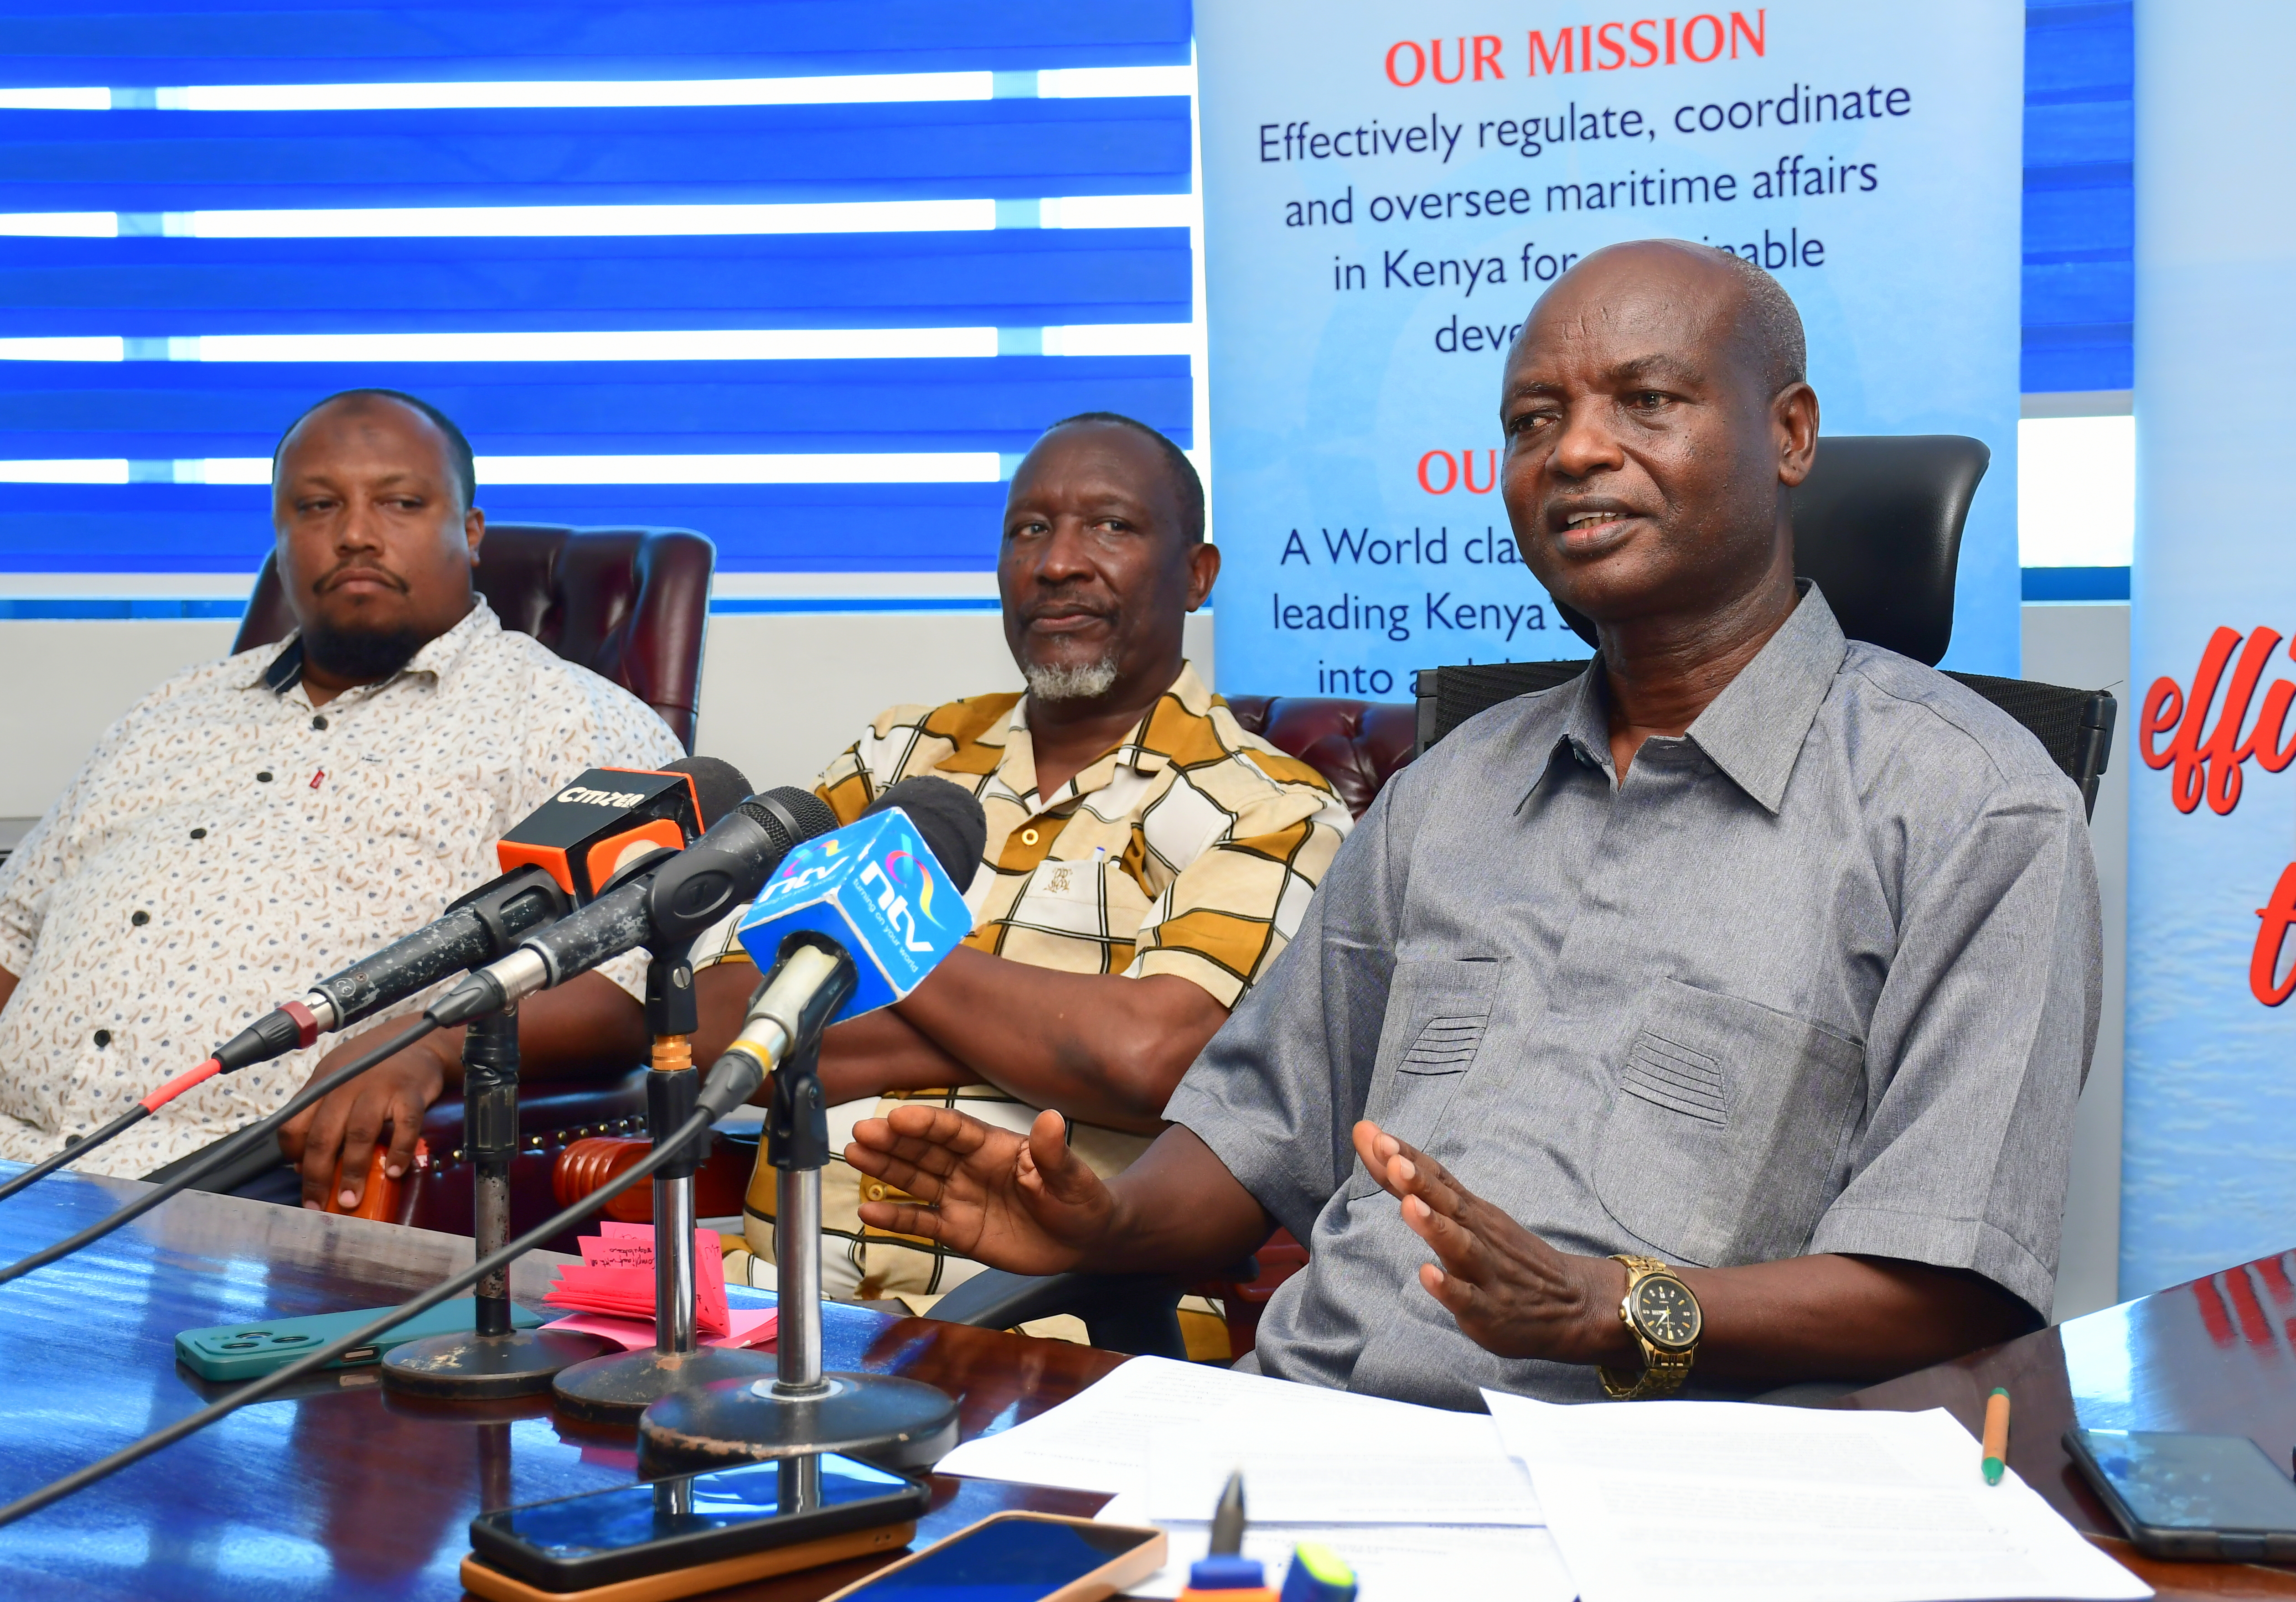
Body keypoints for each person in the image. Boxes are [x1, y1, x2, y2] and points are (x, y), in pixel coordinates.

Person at [845, 242, 2103, 1407]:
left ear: (1787, 435)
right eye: (1532, 421)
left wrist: (1619, 1311)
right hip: (1300, 1439)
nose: (1573, 453)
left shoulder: (1972, 811)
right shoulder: (1447, 792)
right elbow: (1253, 1135)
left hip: (1645, 1496)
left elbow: (1952, 1281)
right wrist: (1100, 1226)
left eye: (1645, 403)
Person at [689, 412, 1353, 1301]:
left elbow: (1155, 1066)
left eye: (1110, 526)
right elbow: (713, 1021)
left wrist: (862, 943)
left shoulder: (1271, 805)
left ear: (1196, 576)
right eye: (1028, 529)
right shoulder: (899, 752)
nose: (1057, 563)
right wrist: (1044, 1035)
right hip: (766, 1302)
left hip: (1049, 1327)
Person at [0, 389, 686, 1205]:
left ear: (469, 532)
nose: (357, 533)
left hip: (234, 1186)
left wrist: (426, 1045)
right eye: (319, 505)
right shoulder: (169, 711)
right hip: (19, 1158)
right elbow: (16, 931)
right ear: (281, 538)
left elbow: (631, 978)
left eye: (400, 502)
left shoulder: (577, 722)